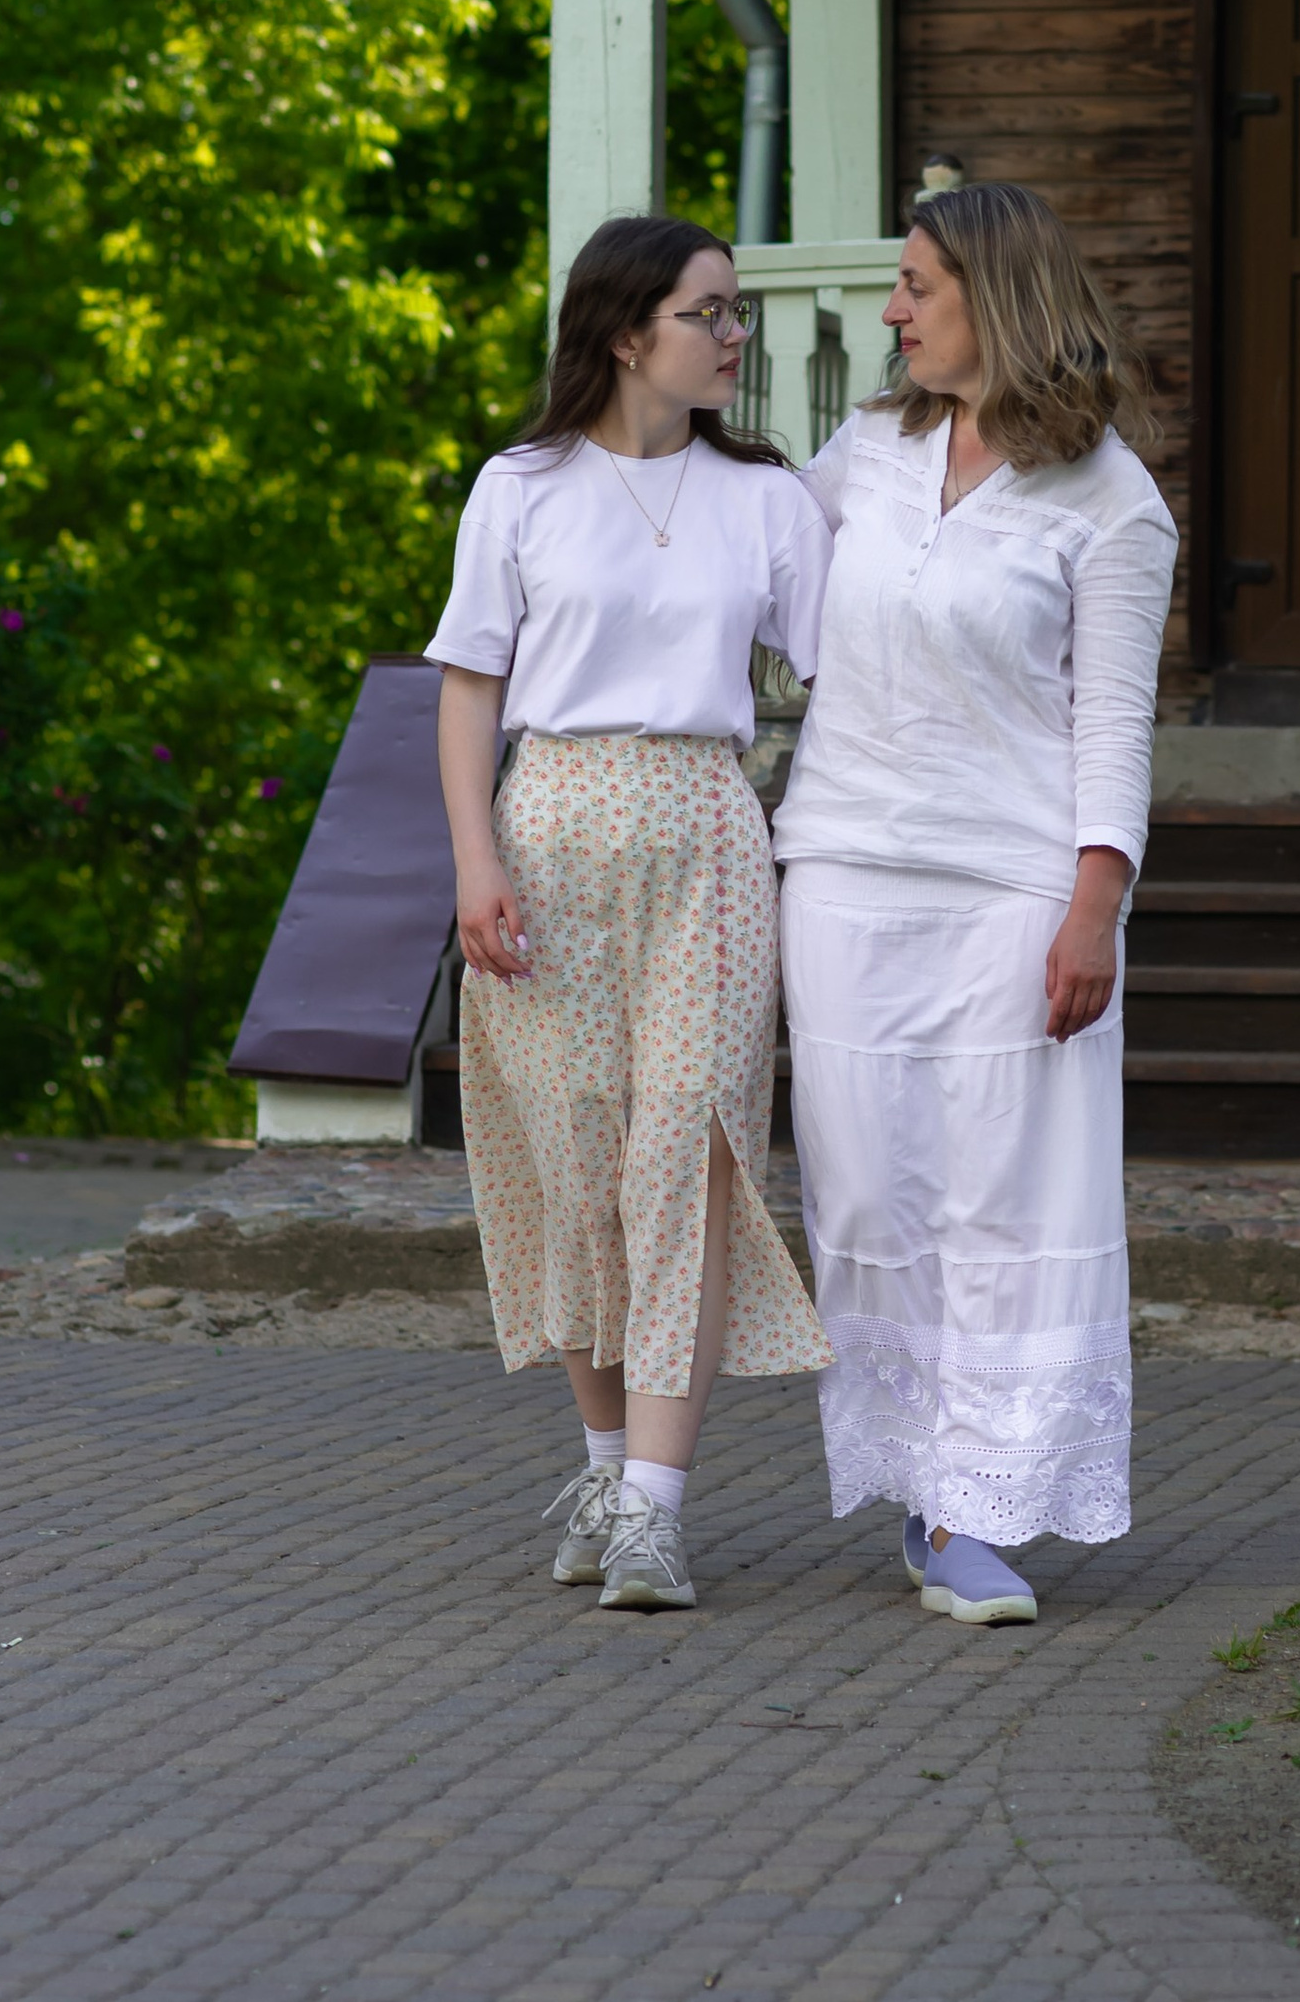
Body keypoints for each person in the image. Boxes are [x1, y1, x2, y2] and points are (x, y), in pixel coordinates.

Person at [777, 180, 1177, 1625]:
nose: (892, 311)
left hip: (1013, 887)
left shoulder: (1112, 501)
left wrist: (1096, 907)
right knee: (875, 1196)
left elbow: (1114, 726)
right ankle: (914, 1481)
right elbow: (748, 582)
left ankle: (971, 1514)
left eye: (916, 285)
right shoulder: (867, 452)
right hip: (839, 876)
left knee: (1008, 1206)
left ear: (994, 300)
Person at [429, 213, 833, 1614]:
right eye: (710, 313)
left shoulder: (769, 500)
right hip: (548, 834)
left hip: (708, 834)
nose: (736, 336)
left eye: (736, 316)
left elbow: (851, 669)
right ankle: (605, 1467)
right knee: (574, 1159)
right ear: (624, 332)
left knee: (693, 1147)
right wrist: (474, 859)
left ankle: (659, 1509)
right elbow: (471, 685)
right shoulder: (521, 486)